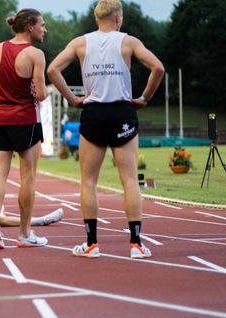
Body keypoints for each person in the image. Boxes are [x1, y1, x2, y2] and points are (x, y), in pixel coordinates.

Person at [47, 0, 164, 259]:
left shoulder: (80, 42)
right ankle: (136, 244)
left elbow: (52, 69)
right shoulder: (129, 41)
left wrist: (71, 98)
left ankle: (91, 244)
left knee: (88, 181)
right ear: (118, 17)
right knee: (130, 180)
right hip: (122, 111)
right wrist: (144, 98)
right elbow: (158, 67)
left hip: (94, 112)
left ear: (97, 17)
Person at [0, 8, 49, 250]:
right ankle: (24, 234)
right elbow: (42, 94)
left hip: (0, 118)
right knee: (28, 177)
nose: (44, 30)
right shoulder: (35, 54)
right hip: (25, 119)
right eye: (42, 25)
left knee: (0, 174)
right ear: (30, 27)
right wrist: (34, 92)